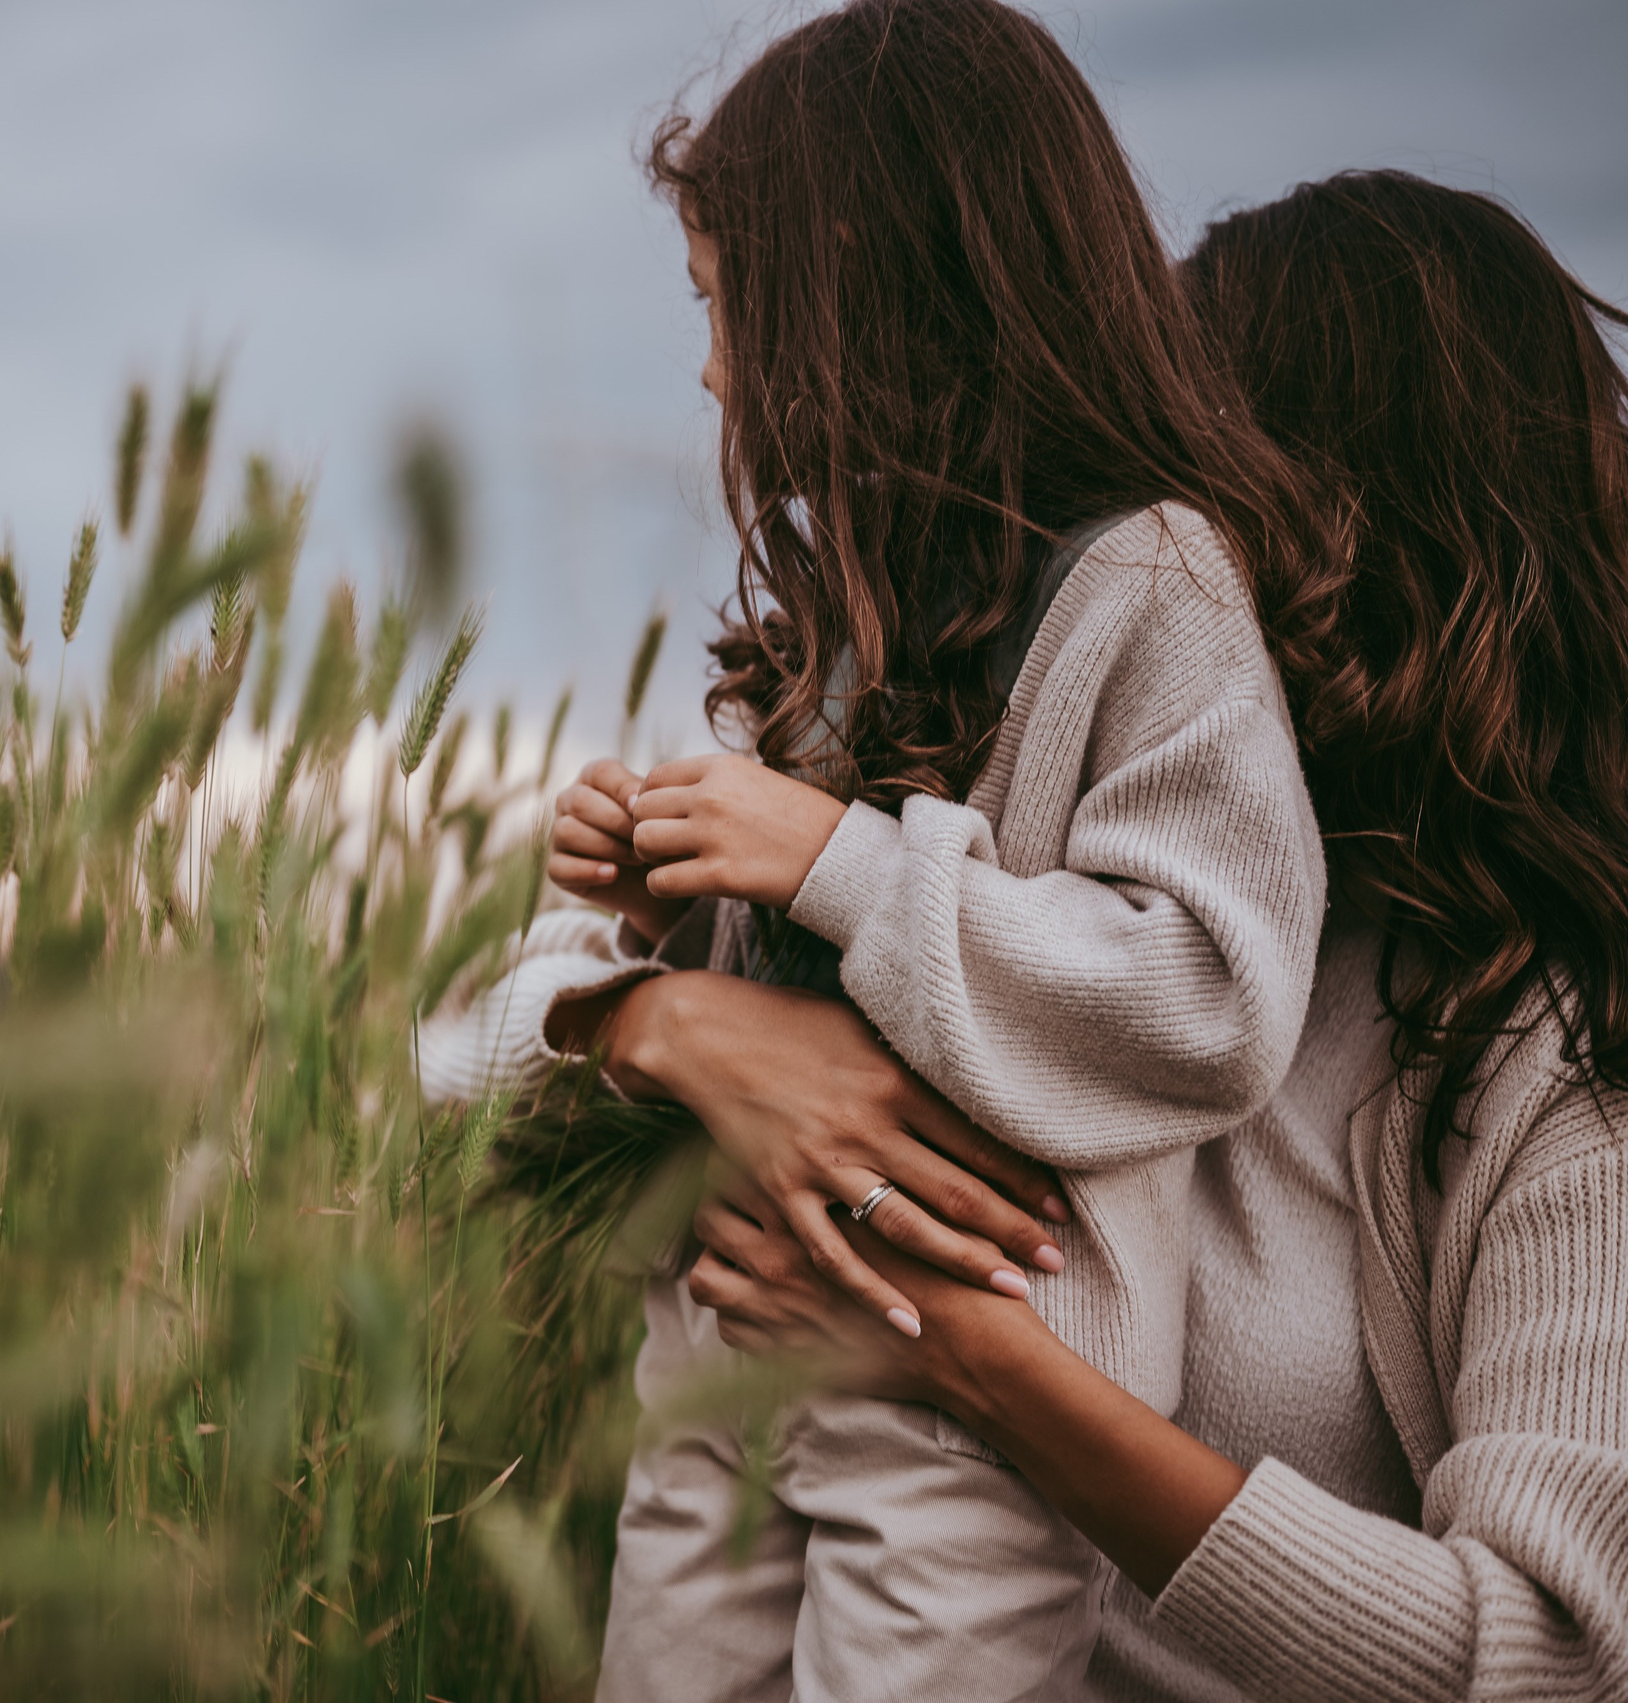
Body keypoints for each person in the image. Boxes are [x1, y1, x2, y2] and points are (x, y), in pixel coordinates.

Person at [417, 2, 1337, 1697]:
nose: (705, 368)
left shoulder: (1152, 583)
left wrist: (829, 856)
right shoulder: (837, 618)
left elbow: (1209, 990)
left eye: (719, 304)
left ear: (854, 280)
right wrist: (671, 902)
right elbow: (516, 1046)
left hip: (960, 1410)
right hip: (719, 1344)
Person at [684, 170, 1628, 1699]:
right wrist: (667, 1031)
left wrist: (987, 1376)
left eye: (1185, 471)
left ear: (1348, 514)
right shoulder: (1101, 869)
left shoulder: (1554, 1058)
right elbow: (521, 1010)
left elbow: (1558, 1661)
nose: (1119, 533)